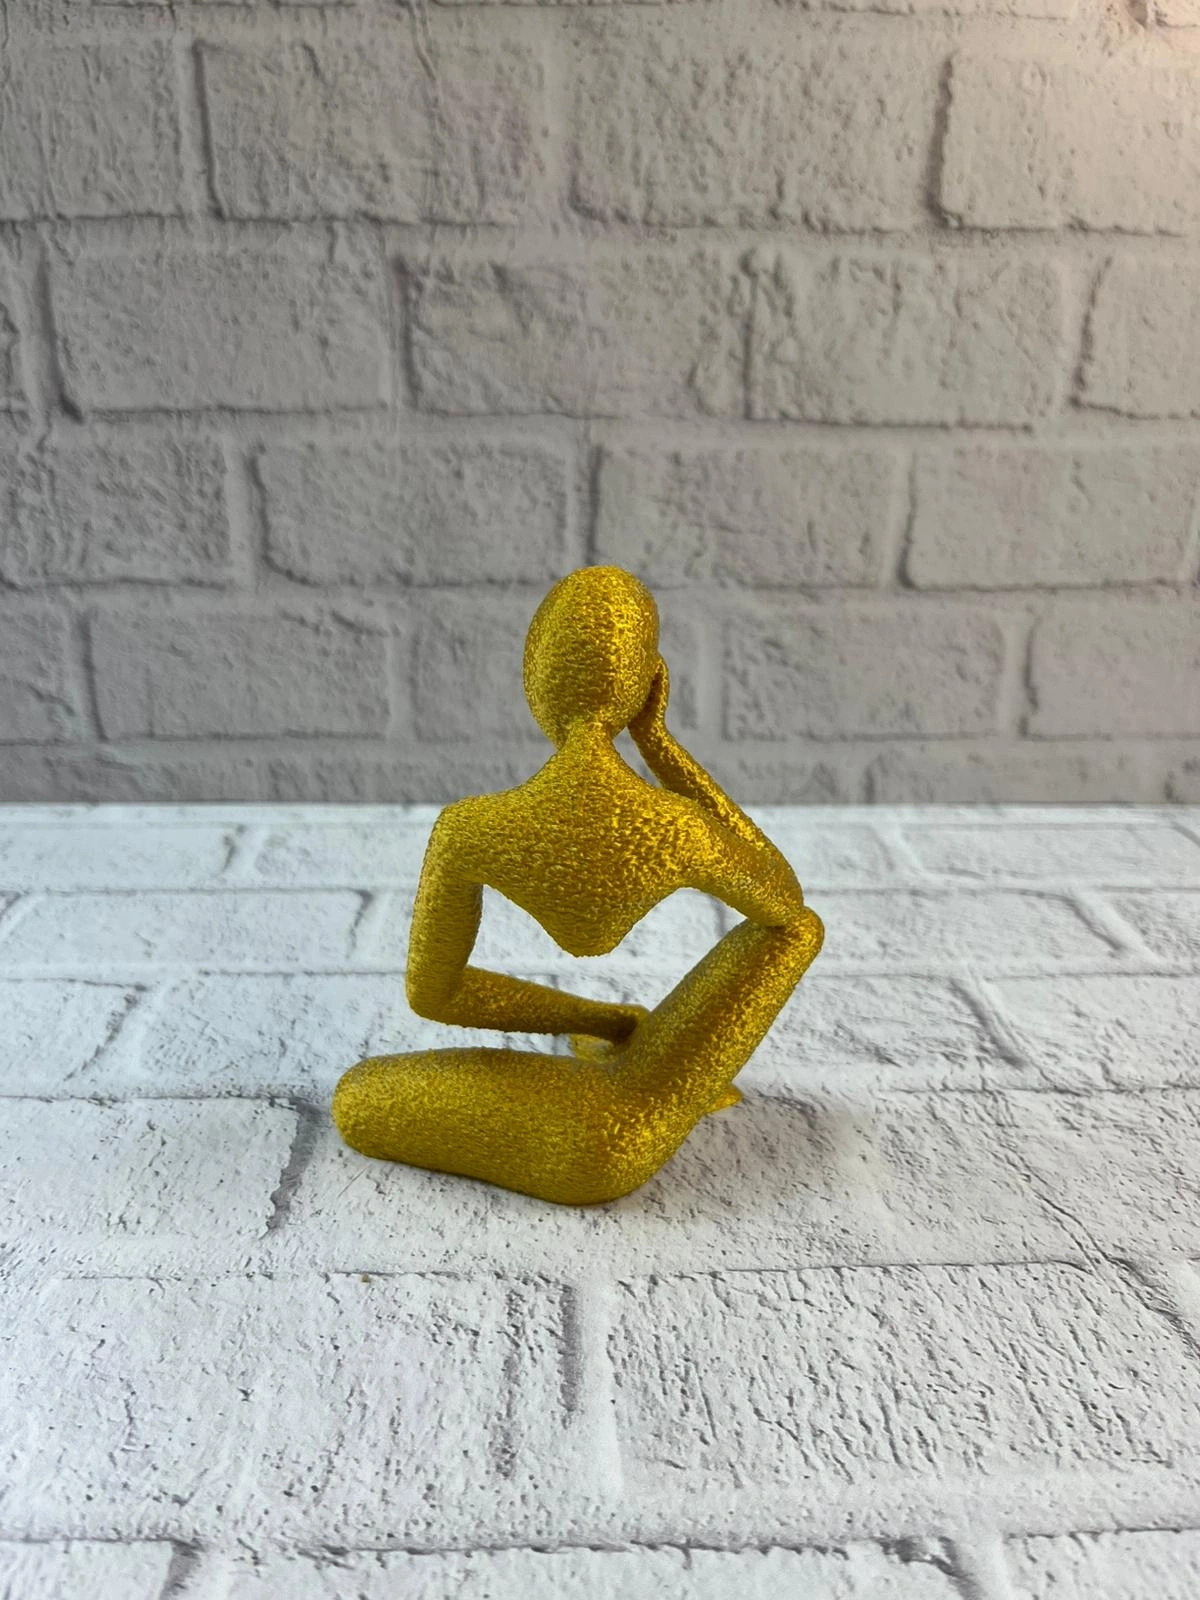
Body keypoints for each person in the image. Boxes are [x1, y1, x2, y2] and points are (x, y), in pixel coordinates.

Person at [332, 566, 823, 1204]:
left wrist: (604, 1020)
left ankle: (635, 1081)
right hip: (636, 1121)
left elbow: (435, 995)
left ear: (532, 683)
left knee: (356, 1099)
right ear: (648, 685)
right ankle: (662, 1081)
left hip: (590, 1132)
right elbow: (785, 903)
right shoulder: (682, 827)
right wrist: (660, 744)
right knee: (798, 930)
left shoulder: (469, 828)